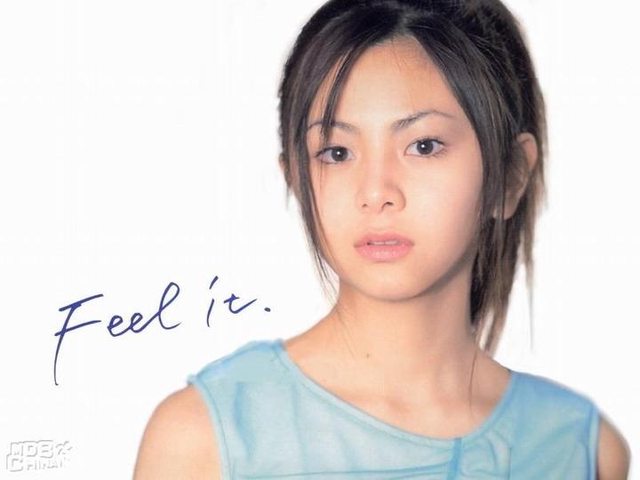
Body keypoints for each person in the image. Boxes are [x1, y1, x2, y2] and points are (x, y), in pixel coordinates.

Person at [133, 0, 630, 478]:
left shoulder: (578, 447)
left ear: (510, 176)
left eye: (424, 145)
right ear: (297, 181)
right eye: (337, 153)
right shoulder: (205, 437)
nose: (376, 193)